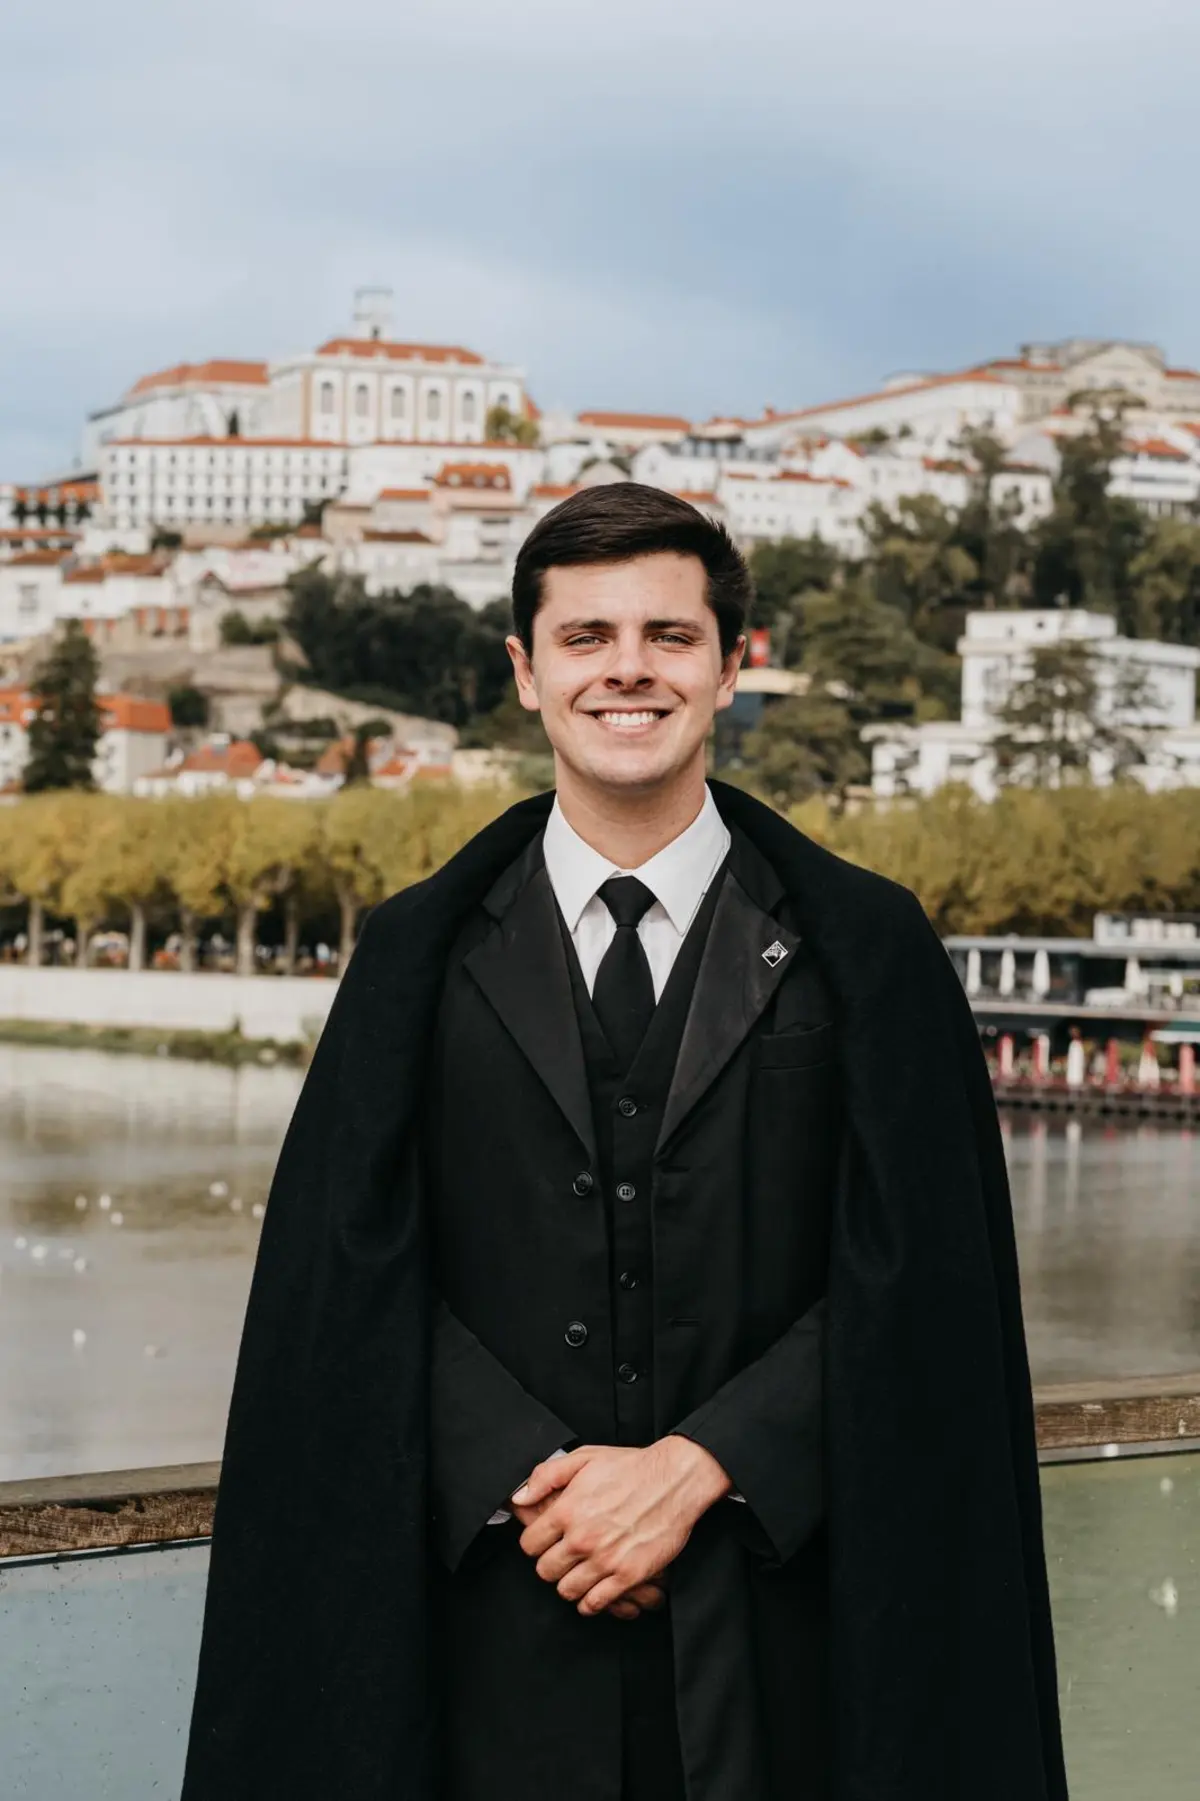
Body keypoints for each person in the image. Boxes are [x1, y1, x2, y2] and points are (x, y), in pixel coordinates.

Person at [182, 484, 1068, 1801]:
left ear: (731, 667)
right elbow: (348, 1279)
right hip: (489, 1642)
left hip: (792, 1650)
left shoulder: (870, 950)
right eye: (587, 638)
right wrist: (536, 1478)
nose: (629, 671)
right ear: (524, 674)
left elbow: (927, 1280)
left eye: (669, 635)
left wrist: (714, 1462)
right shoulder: (410, 958)